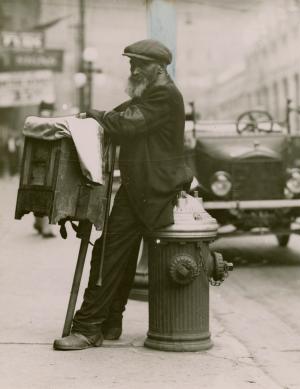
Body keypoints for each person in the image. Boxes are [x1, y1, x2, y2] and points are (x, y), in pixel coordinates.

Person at [53, 39, 193, 350]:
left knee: (108, 254)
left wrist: (93, 115)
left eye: (138, 65)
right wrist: (99, 115)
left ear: (156, 68)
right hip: (144, 187)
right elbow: (123, 112)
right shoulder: (153, 94)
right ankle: (110, 321)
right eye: (131, 63)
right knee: (119, 253)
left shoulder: (163, 95)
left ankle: (89, 327)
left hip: (151, 190)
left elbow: (126, 125)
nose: (132, 69)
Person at [33, 101, 56, 238]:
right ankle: (43, 225)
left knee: (40, 196)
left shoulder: (35, 123)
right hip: (42, 165)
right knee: (43, 196)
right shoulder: (47, 123)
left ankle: (41, 224)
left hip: (40, 165)